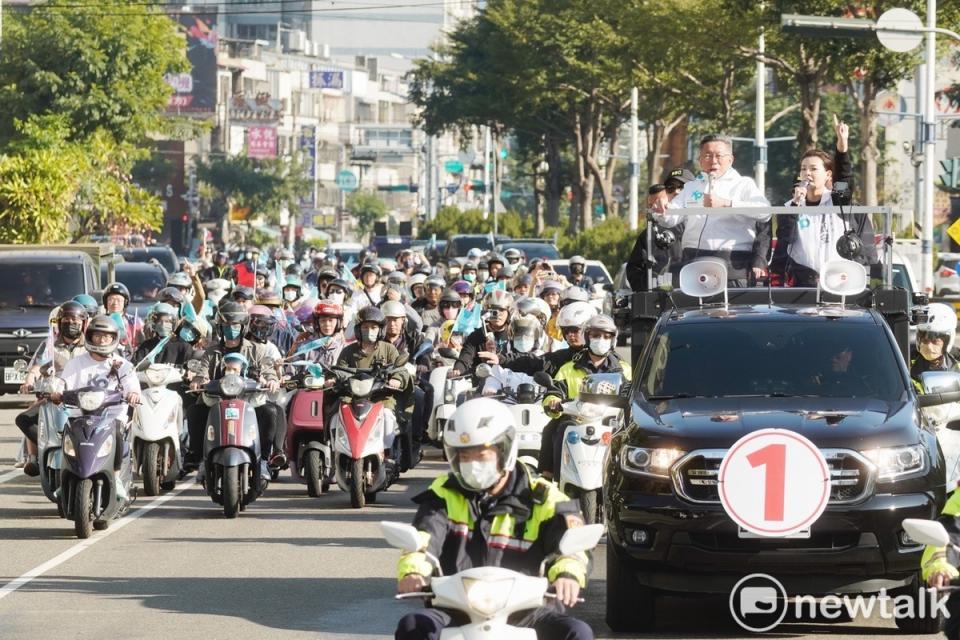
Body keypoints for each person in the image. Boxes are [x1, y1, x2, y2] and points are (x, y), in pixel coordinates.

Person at [393, 398, 592, 640]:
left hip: (527, 612)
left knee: (578, 632)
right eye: (464, 456)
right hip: (457, 609)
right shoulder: (443, 494)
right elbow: (423, 538)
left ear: (504, 450)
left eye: (481, 454)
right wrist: (413, 572)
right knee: (413, 626)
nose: (472, 463)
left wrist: (567, 575)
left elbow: (572, 548)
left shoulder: (545, 498)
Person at [771, 115, 878, 286]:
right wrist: (795, 206)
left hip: (840, 279)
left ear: (828, 174)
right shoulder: (790, 207)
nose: (807, 173)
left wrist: (842, 150)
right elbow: (785, 239)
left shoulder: (837, 200)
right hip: (803, 281)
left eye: (814, 169)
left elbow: (844, 182)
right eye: (803, 169)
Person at [655, 135, 771, 286]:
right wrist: (662, 209)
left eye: (719, 156)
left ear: (730, 159)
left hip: (733, 263)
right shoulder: (691, 187)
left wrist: (726, 204)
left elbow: (765, 212)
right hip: (693, 260)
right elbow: (671, 219)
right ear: (700, 160)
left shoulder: (744, 185)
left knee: (733, 309)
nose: (713, 160)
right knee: (694, 309)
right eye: (708, 155)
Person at [185, 302, 284, 469]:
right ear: (220, 328)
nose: (231, 329)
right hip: (216, 401)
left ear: (243, 327)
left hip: (249, 400)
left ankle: (265, 459)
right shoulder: (211, 352)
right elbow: (202, 372)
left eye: (235, 326)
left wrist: (271, 379)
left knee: (271, 411)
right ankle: (198, 457)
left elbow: (268, 370)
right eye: (226, 326)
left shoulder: (257, 350)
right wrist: (198, 381)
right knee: (195, 411)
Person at [539, 314, 631, 480]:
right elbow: (555, 390)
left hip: (611, 423)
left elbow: (631, 395)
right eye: (595, 335)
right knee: (555, 428)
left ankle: (624, 481)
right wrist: (552, 401)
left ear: (613, 340)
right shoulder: (568, 368)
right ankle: (553, 479)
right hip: (577, 421)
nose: (600, 340)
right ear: (587, 338)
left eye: (606, 336)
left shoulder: (624, 369)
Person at [15, 301, 89, 476]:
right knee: (24, 419)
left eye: (75, 320)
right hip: (54, 397)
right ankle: (40, 452)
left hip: (83, 400)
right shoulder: (50, 345)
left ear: (84, 323)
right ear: (59, 322)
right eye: (66, 319)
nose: (71, 323)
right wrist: (29, 381)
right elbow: (35, 368)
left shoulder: (90, 347)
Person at [335, 306, 409, 415]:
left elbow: (399, 369)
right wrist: (333, 379)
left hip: (381, 395)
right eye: (365, 327)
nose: (369, 331)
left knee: (388, 413)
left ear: (380, 330)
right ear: (358, 329)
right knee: (339, 410)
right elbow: (339, 370)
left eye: (374, 327)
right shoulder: (348, 351)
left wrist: (397, 379)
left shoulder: (389, 349)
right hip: (352, 395)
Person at [450, 289, 515, 378]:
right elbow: (466, 356)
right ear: (486, 312)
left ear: (509, 312)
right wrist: (458, 370)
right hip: (481, 382)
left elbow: (520, 357)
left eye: (502, 310)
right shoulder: (476, 335)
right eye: (494, 310)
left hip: (511, 380)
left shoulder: (514, 334)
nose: (498, 314)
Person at [102, 282, 144, 355]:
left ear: (125, 302)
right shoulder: (100, 320)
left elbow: (142, 343)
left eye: (119, 300)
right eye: (111, 299)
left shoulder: (135, 321)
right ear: (105, 302)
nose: (115, 303)